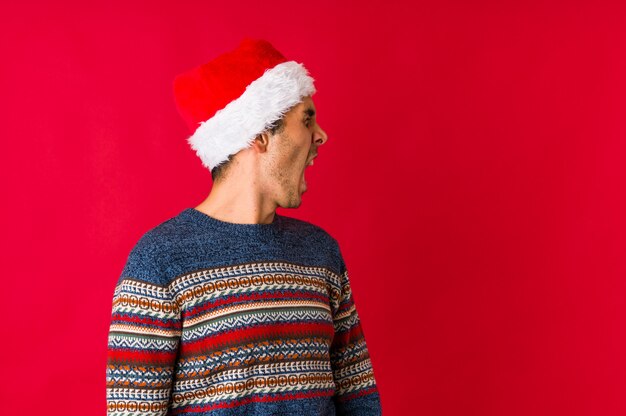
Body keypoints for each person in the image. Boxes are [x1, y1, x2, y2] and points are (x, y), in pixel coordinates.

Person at [106, 38, 382, 415]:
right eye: (306, 119)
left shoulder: (321, 253)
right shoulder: (159, 261)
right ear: (259, 135)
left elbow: (359, 396)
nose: (321, 135)